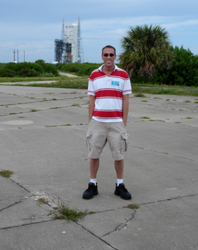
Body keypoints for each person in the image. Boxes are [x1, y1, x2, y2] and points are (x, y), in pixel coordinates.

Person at [82, 45, 132, 200]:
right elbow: (92, 99)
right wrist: (91, 121)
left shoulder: (123, 75)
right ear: (102, 56)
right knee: (94, 154)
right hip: (98, 122)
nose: (108, 57)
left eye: (111, 54)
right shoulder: (94, 75)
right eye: (106, 54)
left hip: (116, 123)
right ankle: (92, 185)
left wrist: (123, 121)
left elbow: (125, 99)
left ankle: (120, 185)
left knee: (118, 155)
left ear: (115, 56)